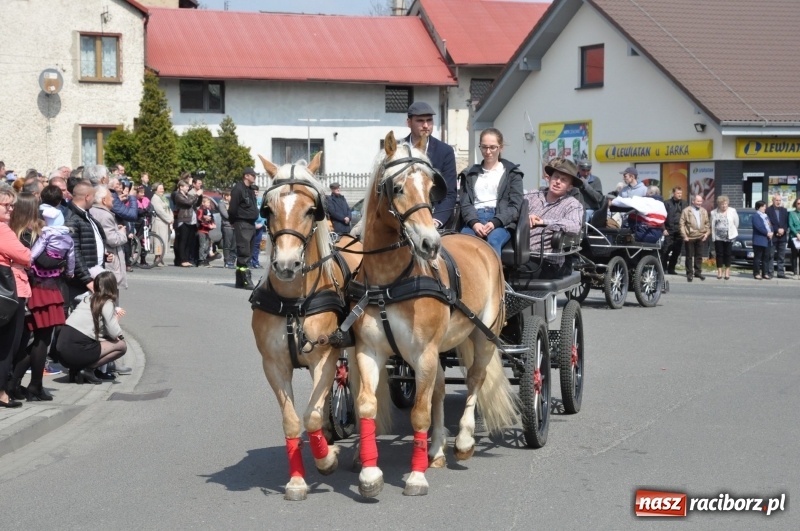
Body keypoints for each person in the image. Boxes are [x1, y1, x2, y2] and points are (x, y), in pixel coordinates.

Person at [9, 195, 67, 401]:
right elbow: (45, 261)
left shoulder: (13, 231)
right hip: (43, 289)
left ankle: (15, 384)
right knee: (41, 340)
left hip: (30, 288)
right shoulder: (31, 233)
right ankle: (30, 385)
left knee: (28, 340)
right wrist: (63, 257)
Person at [458, 128, 523, 256]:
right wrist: (474, 223)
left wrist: (495, 222)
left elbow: (515, 206)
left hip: (500, 221)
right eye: (484, 147)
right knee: (461, 243)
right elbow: (465, 203)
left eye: (492, 147)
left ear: (501, 148)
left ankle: (494, 276)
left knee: (492, 242)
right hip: (475, 217)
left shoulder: (513, 174)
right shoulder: (470, 173)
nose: (488, 152)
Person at [56, 271, 127, 384]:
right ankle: (87, 370)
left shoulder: (87, 299)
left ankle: (76, 370)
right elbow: (114, 333)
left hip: (61, 352)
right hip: (75, 351)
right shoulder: (106, 302)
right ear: (112, 286)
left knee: (90, 341)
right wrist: (117, 324)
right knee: (121, 346)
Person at [521, 158, 584, 279]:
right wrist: (525, 216)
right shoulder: (533, 195)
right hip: (519, 252)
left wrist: (544, 222)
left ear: (570, 187)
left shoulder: (572, 204)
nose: (558, 182)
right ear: (549, 178)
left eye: (563, 180)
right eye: (556, 177)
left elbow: (574, 226)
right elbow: (515, 210)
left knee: (517, 273)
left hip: (546, 260)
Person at [403, 102, 457, 229]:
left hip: (434, 218)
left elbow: (450, 193)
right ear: (409, 123)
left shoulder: (445, 151)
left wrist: (436, 220)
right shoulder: (398, 149)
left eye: (429, 120)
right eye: (420, 121)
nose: (426, 125)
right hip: (403, 218)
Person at [0, 187, 31, 408]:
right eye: (6, 205)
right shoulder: (3, 229)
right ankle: (2, 393)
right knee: (7, 345)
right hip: (9, 294)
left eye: (12, 205)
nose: (11, 209)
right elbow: (26, 255)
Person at [64, 181, 107, 309]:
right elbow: (74, 251)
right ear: (87, 196)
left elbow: (89, 242)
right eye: (93, 196)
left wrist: (102, 254)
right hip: (82, 281)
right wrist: (87, 280)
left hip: (94, 275)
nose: (94, 200)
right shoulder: (72, 218)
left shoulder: (85, 214)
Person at [90, 186, 128, 290]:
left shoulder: (93, 211)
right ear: (103, 200)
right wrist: (122, 233)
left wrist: (116, 228)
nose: (113, 199)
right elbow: (113, 240)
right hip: (109, 261)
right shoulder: (105, 215)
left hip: (103, 260)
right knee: (110, 294)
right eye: (110, 197)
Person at [229, 167, 259, 289]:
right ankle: (246, 280)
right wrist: (233, 221)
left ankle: (239, 280)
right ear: (246, 176)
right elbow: (233, 208)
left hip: (251, 224)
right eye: (252, 175)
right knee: (244, 252)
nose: (254, 177)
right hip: (242, 223)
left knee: (249, 252)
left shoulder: (250, 189)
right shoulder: (238, 189)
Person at [679, 194, 710, 282]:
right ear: (693, 201)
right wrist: (684, 235)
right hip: (689, 237)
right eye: (698, 201)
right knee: (689, 256)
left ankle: (698, 272)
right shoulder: (686, 210)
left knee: (699, 255)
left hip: (700, 236)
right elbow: (681, 224)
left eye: (701, 201)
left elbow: (707, 223)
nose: (700, 203)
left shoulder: (704, 211)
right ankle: (689, 273)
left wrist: (706, 234)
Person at [710, 195, 739, 281]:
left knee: (728, 254)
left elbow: (736, 223)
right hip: (718, 237)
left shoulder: (732, 211)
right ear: (719, 204)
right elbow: (712, 224)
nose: (724, 206)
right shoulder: (713, 212)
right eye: (722, 204)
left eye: (725, 204)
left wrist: (733, 231)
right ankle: (719, 271)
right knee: (719, 254)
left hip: (729, 236)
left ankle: (727, 271)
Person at [662, 186, 688, 274]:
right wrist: (663, 229)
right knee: (666, 250)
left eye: (681, 193)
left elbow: (687, 217)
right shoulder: (667, 203)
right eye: (678, 193)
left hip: (679, 231)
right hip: (669, 230)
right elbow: (662, 217)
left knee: (677, 251)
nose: (680, 195)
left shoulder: (684, 204)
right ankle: (663, 268)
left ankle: (671, 268)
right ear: (674, 193)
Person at [172, 179, 197, 267]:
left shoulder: (187, 195)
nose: (187, 188)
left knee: (188, 241)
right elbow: (188, 203)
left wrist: (199, 196)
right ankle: (182, 259)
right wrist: (196, 195)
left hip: (189, 220)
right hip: (183, 220)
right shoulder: (178, 196)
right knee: (182, 240)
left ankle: (186, 258)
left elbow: (195, 203)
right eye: (186, 186)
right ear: (181, 187)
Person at [765, 194, 790, 278]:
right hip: (773, 236)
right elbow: (768, 222)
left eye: (779, 200)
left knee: (781, 256)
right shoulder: (768, 210)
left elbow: (787, 222)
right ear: (773, 200)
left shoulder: (784, 210)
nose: (778, 202)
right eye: (776, 200)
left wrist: (783, 230)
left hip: (782, 236)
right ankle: (770, 272)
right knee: (770, 255)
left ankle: (780, 273)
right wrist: (777, 230)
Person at [150, 182, 173, 267]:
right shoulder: (155, 198)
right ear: (156, 189)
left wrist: (171, 217)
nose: (162, 190)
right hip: (159, 222)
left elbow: (168, 208)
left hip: (165, 222)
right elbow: (160, 211)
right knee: (158, 241)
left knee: (164, 240)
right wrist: (169, 219)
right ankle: (157, 258)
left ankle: (161, 258)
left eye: (162, 188)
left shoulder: (163, 198)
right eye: (160, 188)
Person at [752, 200, 773, 280]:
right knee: (758, 257)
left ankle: (765, 273)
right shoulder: (756, 216)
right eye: (763, 206)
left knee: (766, 257)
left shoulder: (766, 216)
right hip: (759, 240)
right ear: (758, 207)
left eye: (765, 206)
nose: (765, 208)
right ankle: (756, 273)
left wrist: (772, 232)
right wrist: (767, 233)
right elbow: (759, 227)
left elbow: (770, 226)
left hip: (768, 240)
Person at [218, 189, 236, 269]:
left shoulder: (233, 203)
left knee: (234, 245)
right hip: (227, 226)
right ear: (225, 196)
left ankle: (232, 260)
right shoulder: (222, 203)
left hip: (235, 226)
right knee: (227, 244)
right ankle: (227, 261)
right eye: (229, 196)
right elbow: (226, 215)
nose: (230, 197)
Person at [196, 196, 216, 268]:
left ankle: (205, 259)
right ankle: (201, 260)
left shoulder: (209, 210)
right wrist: (205, 220)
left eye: (209, 203)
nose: (209, 204)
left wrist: (212, 224)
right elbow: (199, 219)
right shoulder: (201, 210)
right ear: (203, 203)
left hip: (207, 231)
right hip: (201, 230)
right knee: (203, 245)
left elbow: (211, 218)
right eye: (207, 202)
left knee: (207, 245)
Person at [788, 197, 800, 276]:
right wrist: (797, 234)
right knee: (794, 254)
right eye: (798, 203)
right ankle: (795, 270)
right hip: (794, 236)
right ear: (795, 204)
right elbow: (791, 225)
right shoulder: (792, 214)